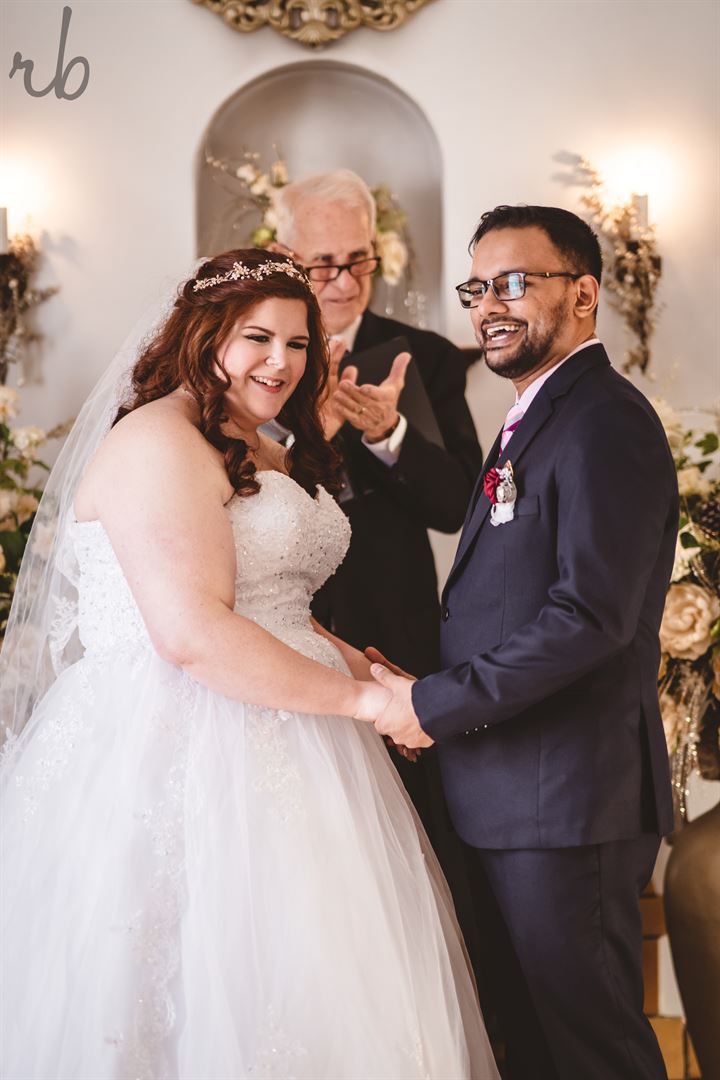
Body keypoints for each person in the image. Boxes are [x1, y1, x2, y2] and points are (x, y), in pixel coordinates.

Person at [0, 250, 498, 1080]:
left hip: (299, 732)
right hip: (177, 740)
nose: (282, 361)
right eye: (257, 338)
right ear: (204, 337)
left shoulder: (258, 445)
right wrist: (367, 706)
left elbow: (278, 606)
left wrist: (374, 675)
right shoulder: (157, 440)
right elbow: (193, 633)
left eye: (298, 343)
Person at [366, 206, 677, 1080]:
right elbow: (513, 602)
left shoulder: (604, 420)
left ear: (584, 293)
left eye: (513, 283)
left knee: (594, 1049)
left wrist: (436, 703)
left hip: (566, 799)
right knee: (534, 1047)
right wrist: (428, 685)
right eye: (477, 288)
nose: (489, 306)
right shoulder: (535, 417)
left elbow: (590, 617)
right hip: (511, 792)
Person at [271, 169, 485, 970]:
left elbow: (457, 505)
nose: (343, 280)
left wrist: (391, 434)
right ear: (287, 257)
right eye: (322, 263)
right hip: (278, 627)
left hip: (393, 630)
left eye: (358, 260)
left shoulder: (425, 357)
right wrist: (307, 436)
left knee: (411, 840)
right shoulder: (257, 355)